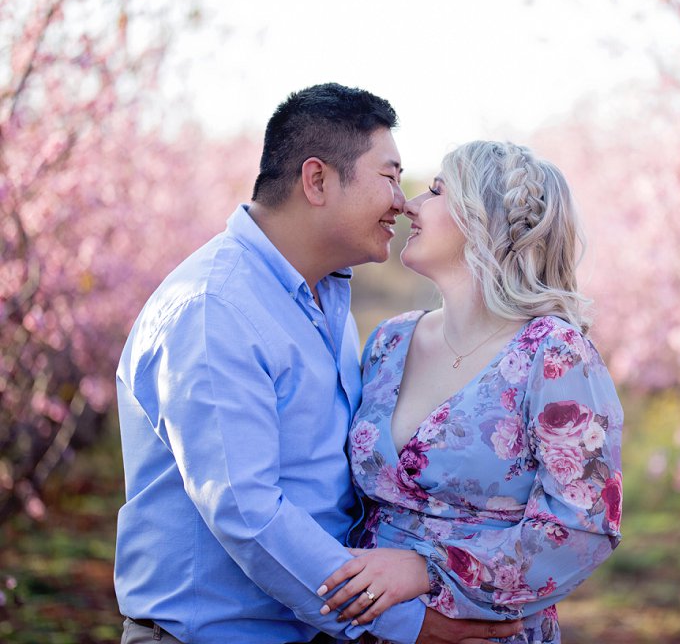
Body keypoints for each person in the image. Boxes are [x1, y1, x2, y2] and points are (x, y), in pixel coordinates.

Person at [114, 84, 523, 644]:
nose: (403, 201)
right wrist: (407, 622)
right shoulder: (216, 309)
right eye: (388, 175)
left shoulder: (325, 298)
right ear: (317, 180)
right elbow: (247, 511)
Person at [315, 141, 624, 643]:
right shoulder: (390, 341)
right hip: (364, 626)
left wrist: (428, 570)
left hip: (481, 630)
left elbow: (584, 527)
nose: (410, 203)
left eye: (437, 191)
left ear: (485, 222)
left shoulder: (555, 353)